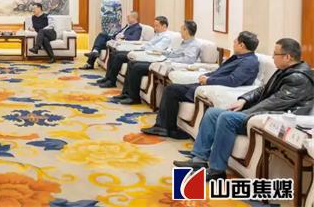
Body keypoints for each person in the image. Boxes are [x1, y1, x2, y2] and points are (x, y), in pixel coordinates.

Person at [173, 38, 313, 180]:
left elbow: (273, 104)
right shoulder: (286, 71)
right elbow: (263, 89)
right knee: (212, 113)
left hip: (273, 119)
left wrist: (245, 112)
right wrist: (243, 100)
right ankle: (199, 159)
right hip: (261, 112)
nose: (272, 57)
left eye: (275, 53)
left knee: (227, 117)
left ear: (287, 57)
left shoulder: (298, 78)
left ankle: (216, 170)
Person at [142, 31, 260, 139]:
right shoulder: (239, 57)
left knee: (171, 90)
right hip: (208, 84)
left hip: (214, 87)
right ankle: (164, 126)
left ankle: (166, 128)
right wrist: (206, 76)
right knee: (172, 88)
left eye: (235, 41)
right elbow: (220, 71)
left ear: (242, 45)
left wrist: (209, 80)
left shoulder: (249, 62)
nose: (233, 43)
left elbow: (233, 81)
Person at [114, 20, 201, 105]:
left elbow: (188, 60)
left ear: (186, 31)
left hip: (168, 64)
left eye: (181, 29)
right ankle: (126, 93)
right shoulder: (184, 42)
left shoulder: (194, 44)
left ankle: (134, 98)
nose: (180, 31)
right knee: (132, 63)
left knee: (137, 67)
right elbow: (174, 53)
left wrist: (170, 60)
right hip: (163, 61)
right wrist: (163, 53)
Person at [99, 16, 173, 88]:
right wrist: (145, 46)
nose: (155, 28)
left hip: (147, 54)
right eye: (154, 25)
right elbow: (149, 44)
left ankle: (111, 81)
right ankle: (108, 78)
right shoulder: (158, 34)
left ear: (164, 26)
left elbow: (156, 49)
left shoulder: (166, 37)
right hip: (143, 51)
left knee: (119, 56)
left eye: (157, 26)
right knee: (115, 53)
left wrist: (145, 46)